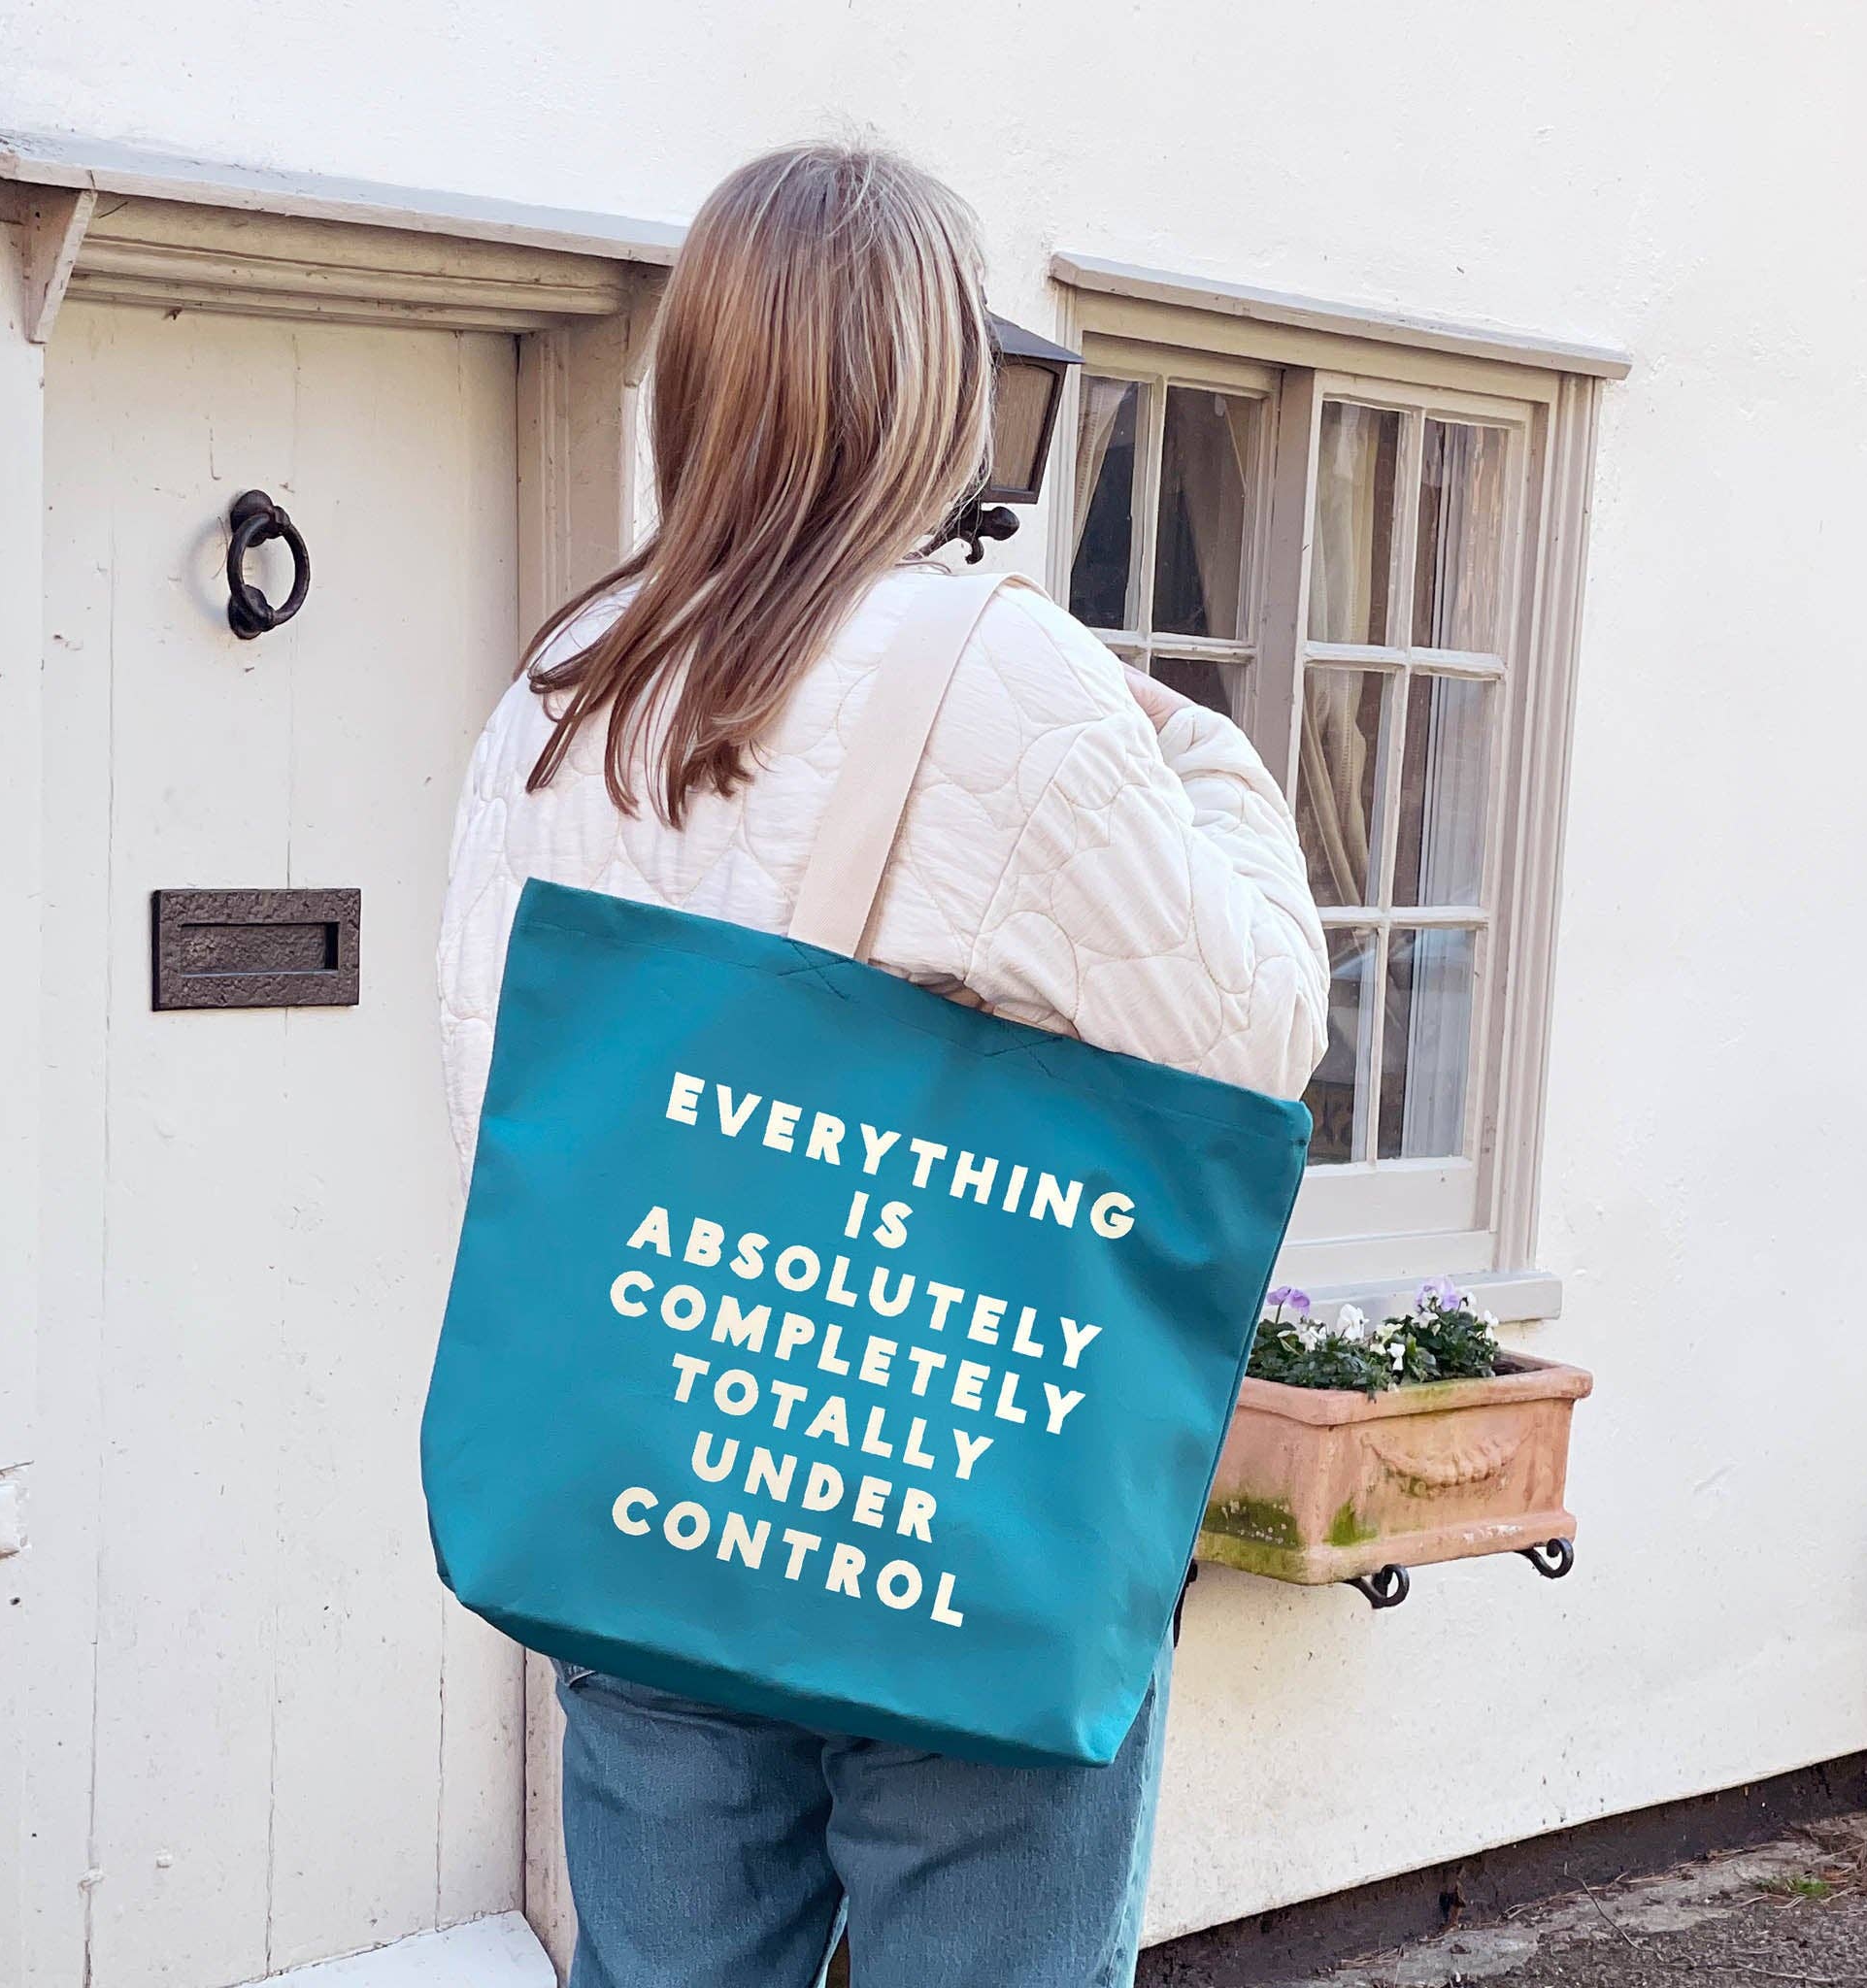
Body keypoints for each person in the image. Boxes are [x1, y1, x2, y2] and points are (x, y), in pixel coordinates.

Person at [437, 141, 1329, 1988]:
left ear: (702, 374)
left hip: (656, 1466)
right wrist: (1203, 756)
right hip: (955, 1490)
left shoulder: (569, 683)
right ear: (936, 385)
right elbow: (1248, 1040)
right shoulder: (1005, 671)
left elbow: (500, 1079)